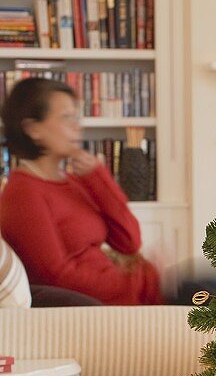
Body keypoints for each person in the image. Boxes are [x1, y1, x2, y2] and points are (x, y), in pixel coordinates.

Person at [0, 77, 161, 305]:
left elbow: (129, 241)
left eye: (77, 117)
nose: (77, 126)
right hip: (90, 310)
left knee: (215, 288)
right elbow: (58, 277)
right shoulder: (23, 193)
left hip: (123, 295)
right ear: (33, 129)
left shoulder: (73, 181)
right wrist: (139, 282)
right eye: (66, 117)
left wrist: (98, 177)